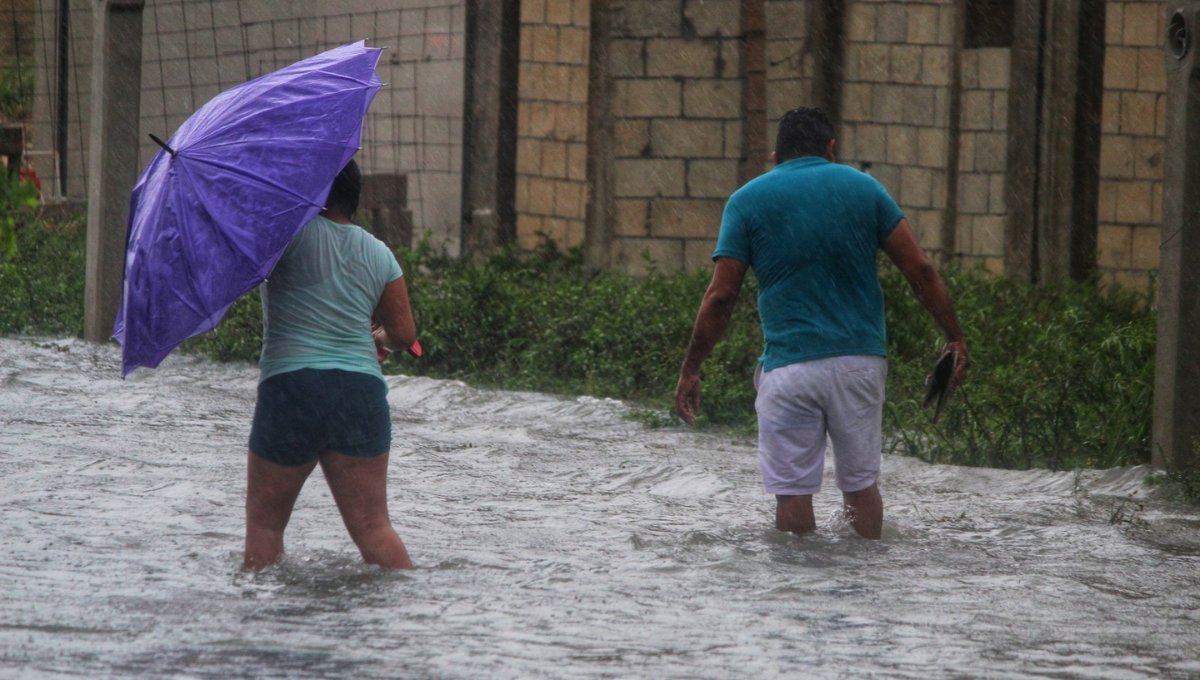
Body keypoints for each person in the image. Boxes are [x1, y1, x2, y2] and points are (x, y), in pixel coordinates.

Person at [674, 107, 969, 540]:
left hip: (789, 370)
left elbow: (721, 297)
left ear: (776, 156)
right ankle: (863, 582)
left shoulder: (747, 200)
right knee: (860, 485)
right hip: (860, 366)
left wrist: (691, 367)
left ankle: (799, 594)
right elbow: (920, 270)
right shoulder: (864, 188)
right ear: (831, 149)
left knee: (793, 495)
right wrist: (954, 336)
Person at [243, 159, 417, 570]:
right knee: (375, 528)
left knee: (265, 526)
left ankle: (256, 622)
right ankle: (414, 617)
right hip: (360, 391)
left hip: (292, 386)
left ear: (312, 192)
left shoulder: (283, 237)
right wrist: (380, 340)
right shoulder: (380, 254)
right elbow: (405, 336)